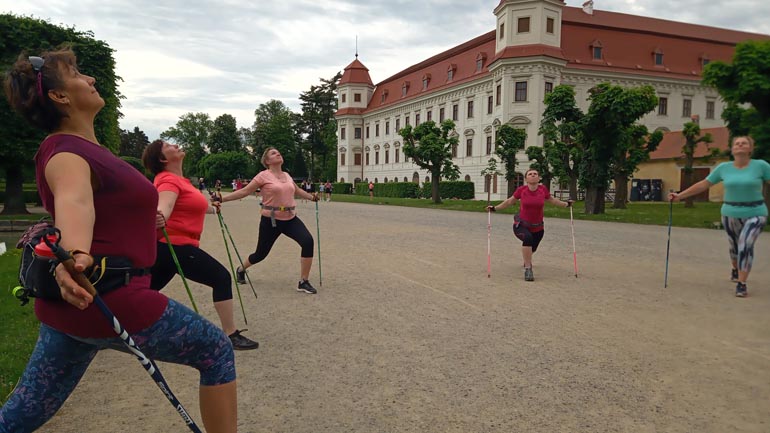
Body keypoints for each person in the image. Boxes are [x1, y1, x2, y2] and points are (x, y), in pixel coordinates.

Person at [1, 49, 236, 432]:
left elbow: (101, 206)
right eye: (76, 73)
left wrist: (147, 218)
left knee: (18, 418)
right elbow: (74, 202)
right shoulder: (64, 152)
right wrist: (73, 255)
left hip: (73, 312)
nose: (90, 79)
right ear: (60, 97)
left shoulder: (91, 151)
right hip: (114, 299)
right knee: (215, 350)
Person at [142, 139, 259, 350]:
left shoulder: (181, 180)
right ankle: (230, 334)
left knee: (143, 289)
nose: (175, 145)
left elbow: (192, 205)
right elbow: (164, 205)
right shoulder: (168, 180)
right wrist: (160, 216)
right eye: (168, 145)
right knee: (221, 277)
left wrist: (213, 209)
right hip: (175, 247)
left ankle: (106, 326)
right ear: (162, 158)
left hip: (170, 248)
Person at [669, 136, 770, 297]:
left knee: (746, 244)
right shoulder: (724, 168)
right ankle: (736, 268)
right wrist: (680, 196)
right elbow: (704, 184)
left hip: (756, 212)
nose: (740, 145)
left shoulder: (761, 166)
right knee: (735, 247)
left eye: (744, 143)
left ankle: (742, 284)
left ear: (750, 149)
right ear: (732, 149)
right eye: (737, 143)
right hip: (730, 213)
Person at [217, 147, 320, 294]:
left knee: (307, 241)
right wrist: (222, 198)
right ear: (267, 161)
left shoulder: (287, 175)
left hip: (290, 218)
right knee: (260, 254)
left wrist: (312, 197)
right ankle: (241, 269)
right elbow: (245, 191)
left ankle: (303, 281)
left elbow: (296, 191)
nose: (278, 153)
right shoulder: (262, 176)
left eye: (278, 152)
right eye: (273, 153)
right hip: (271, 220)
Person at [486, 168, 572, 281]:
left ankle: (527, 259)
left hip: (538, 227)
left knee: (533, 248)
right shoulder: (521, 190)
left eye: (535, 174)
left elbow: (553, 200)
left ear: (539, 178)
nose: (533, 175)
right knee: (528, 238)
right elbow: (509, 201)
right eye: (530, 174)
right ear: (526, 179)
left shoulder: (543, 190)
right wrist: (494, 208)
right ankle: (528, 268)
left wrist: (567, 204)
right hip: (522, 224)